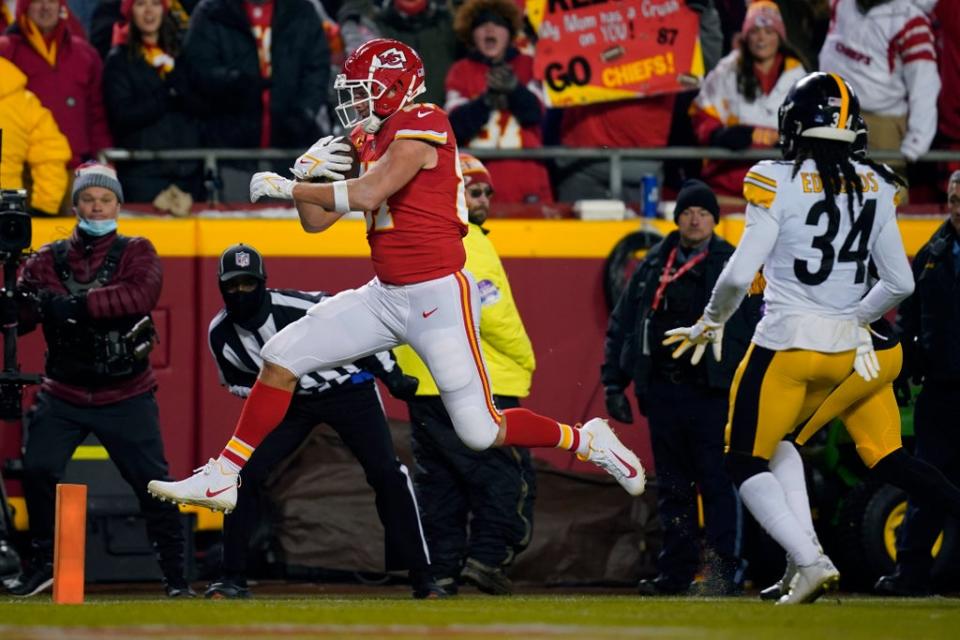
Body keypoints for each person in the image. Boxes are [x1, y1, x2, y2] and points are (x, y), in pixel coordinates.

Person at [148, 39, 645, 526]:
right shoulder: (370, 135)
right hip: (385, 295)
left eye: (365, 88)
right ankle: (224, 474)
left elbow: (370, 193)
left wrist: (287, 186)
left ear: (395, 86)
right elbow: (315, 224)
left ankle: (588, 439)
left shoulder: (425, 121)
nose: (355, 99)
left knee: (479, 430)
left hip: (437, 297)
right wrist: (308, 179)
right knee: (280, 356)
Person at [664, 72, 914, 604]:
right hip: (846, 354)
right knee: (781, 445)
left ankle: (808, 558)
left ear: (794, 125)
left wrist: (712, 320)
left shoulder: (774, 178)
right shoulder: (877, 184)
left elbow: (736, 275)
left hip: (785, 345)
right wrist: (852, 318)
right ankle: (802, 562)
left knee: (741, 459)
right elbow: (900, 282)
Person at [201, 243, 440, 599]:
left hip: (348, 391)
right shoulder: (220, 333)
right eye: (233, 285)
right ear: (221, 286)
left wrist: (391, 375)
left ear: (263, 283)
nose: (240, 292)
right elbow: (235, 380)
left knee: (387, 473)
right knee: (241, 474)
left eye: (248, 284)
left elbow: (362, 326)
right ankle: (232, 577)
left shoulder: (300, 307)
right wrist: (270, 393)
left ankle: (423, 578)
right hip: (289, 404)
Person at [4, 162, 192, 598]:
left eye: (105, 199)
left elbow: (138, 295)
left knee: (154, 484)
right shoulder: (46, 258)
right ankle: (42, 566)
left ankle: (177, 578)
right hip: (63, 392)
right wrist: (16, 301)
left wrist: (70, 306)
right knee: (37, 471)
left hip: (127, 392)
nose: (96, 206)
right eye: (88, 198)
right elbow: (23, 316)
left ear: (118, 204)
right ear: (75, 205)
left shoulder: (138, 249)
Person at [603, 179, 756, 596]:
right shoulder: (653, 265)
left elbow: (754, 328)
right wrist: (614, 382)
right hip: (665, 393)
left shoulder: (735, 266)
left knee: (718, 484)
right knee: (673, 489)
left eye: (703, 212)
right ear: (676, 217)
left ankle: (725, 573)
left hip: (712, 392)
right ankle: (676, 575)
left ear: (714, 220)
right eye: (688, 211)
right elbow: (625, 324)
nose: (694, 218)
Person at [394, 153, 536, 595]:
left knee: (441, 484)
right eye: (475, 191)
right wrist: (526, 360)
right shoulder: (470, 240)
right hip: (481, 382)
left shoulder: (409, 236)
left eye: (488, 192)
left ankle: (441, 570)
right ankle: (487, 560)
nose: (484, 200)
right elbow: (494, 314)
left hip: (422, 383)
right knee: (506, 478)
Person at [871, 169, 960, 596]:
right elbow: (908, 318)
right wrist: (902, 365)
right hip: (941, 388)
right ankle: (910, 574)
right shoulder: (931, 252)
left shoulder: (933, 252)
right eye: (955, 200)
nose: (958, 208)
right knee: (926, 481)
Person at [690, 1, 807, 200]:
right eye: (755, 31)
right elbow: (701, 112)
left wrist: (794, 142)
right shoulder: (727, 70)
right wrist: (718, 134)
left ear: (779, 37)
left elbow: (810, 126)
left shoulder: (799, 76)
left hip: (781, 187)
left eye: (769, 31)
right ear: (746, 36)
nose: (761, 39)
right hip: (728, 183)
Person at [445, 0, 551, 204]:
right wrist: (486, 101)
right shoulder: (460, 70)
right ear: (471, 34)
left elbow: (536, 115)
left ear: (510, 33)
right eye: (481, 24)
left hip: (526, 178)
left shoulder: (529, 65)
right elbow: (455, 126)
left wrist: (514, 89)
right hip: (476, 184)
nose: (489, 28)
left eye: (498, 23)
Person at [102, 0, 204, 203]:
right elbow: (121, 115)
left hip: (188, 173)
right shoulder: (119, 60)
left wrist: (181, 89)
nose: (149, 11)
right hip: (142, 175)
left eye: (155, 3)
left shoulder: (182, 54)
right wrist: (166, 95)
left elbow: (203, 106)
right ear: (130, 11)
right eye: (141, 4)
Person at [818, 0, 939, 165]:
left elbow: (924, 83)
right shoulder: (842, 3)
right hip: (829, 111)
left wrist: (917, 140)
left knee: (884, 188)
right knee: (824, 185)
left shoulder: (910, 21)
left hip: (879, 124)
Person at [0, 0, 112, 173]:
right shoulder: (7, 51)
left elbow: (97, 115)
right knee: (18, 201)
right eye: (37, 1)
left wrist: (105, 163)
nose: (46, 6)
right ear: (24, 7)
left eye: (52, 0)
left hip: (75, 169)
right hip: (22, 171)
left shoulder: (84, 54)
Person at [0, 56, 70, 217]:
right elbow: (51, 154)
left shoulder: (21, 102)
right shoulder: (22, 101)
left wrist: (44, 207)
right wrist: (45, 207)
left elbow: (50, 153)